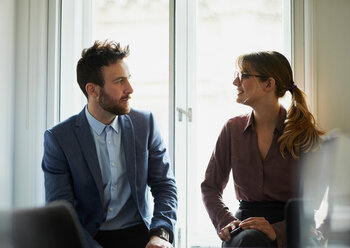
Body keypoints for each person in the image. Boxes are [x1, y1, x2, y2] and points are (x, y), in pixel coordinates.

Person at [42, 40, 177, 248]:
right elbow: (61, 213)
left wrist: (161, 233)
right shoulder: (59, 139)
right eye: (119, 81)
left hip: (141, 235)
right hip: (87, 238)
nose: (130, 89)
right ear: (92, 90)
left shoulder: (145, 124)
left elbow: (165, 186)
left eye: (128, 79)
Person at [201, 51, 324, 248]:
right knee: (249, 241)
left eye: (244, 75)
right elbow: (210, 187)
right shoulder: (232, 129)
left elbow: (313, 201)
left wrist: (275, 230)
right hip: (245, 228)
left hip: (293, 225)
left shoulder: (302, 133)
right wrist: (226, 221)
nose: (235, 82)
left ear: (269, 84)